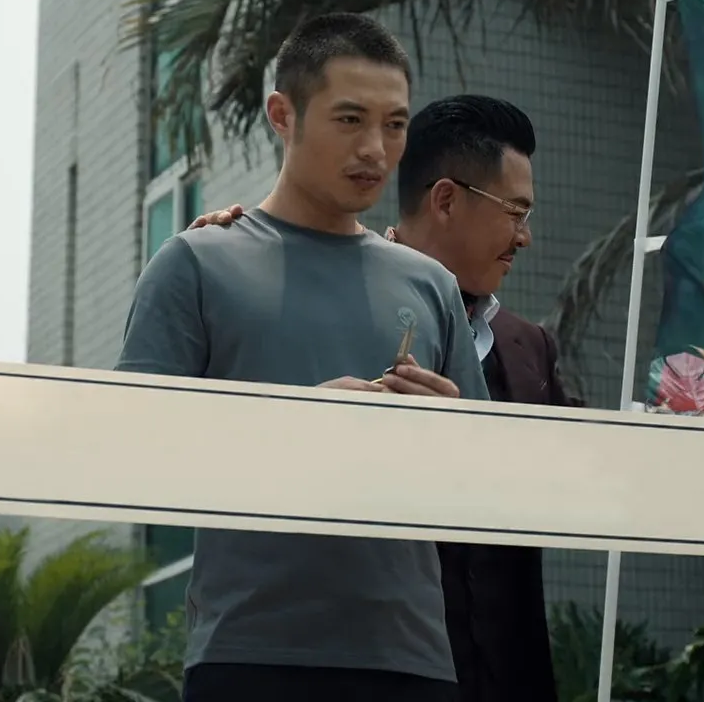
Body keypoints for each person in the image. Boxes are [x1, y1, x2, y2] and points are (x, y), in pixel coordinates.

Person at [115, 12, 490, 702]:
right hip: (251, 654)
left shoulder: (432, 285)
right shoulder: (196, 263)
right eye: (350, 120)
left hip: (411, 661)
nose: (375, 149)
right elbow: (129, 451)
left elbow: (486, 490)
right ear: (282, 115)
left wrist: (454, 434)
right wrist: (293, 425)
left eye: (395, 124)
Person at [191, 94, 570, 702]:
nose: (524, 236)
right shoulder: (300, 298)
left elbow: (568, 491)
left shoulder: (530, 349)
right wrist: (227, 261)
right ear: (445, 200)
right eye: (516, 212)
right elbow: (195, 444)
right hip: (347, 668)